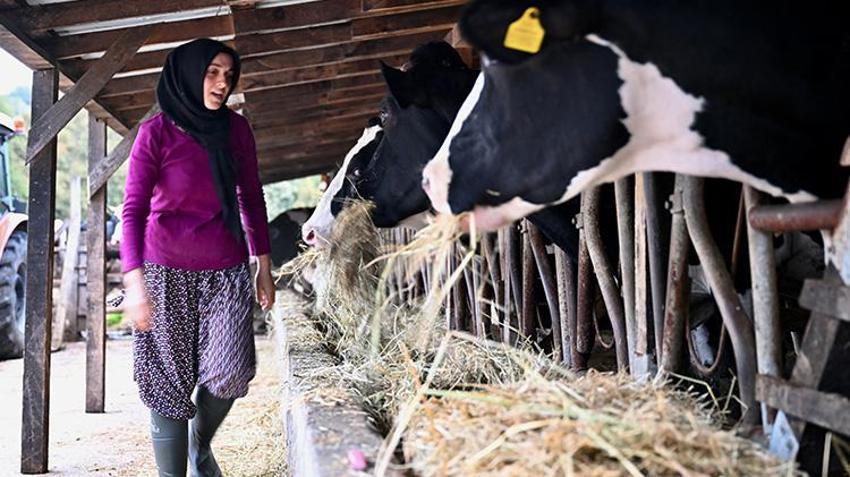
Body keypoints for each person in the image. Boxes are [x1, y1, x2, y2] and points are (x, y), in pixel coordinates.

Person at [120, 38, 275, 477]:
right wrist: (134, 282)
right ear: (188, 73)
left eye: (228, 74)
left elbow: (252, 197)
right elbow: (132, 210)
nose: (222, 82)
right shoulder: (156, 134)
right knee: (167, 381)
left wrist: (264, 264)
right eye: (212, 72)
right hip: (164, 271)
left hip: (226, 270)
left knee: (230, 370)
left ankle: (199, 446)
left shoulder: (235, 129)